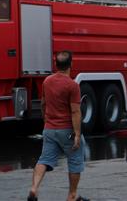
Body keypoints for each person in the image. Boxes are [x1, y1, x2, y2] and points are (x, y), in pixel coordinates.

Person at [28, 51, 88, 201]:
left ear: (56, 64)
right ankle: (72, 195)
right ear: (71, 64)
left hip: (50, 129)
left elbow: (43, 103)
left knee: (44, 159)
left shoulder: (47, 81)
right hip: (66, 130)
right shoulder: (72, 85)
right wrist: (77, 134)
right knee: (75, 160)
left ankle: (34, 188)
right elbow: (75, 111)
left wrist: (46, 121)